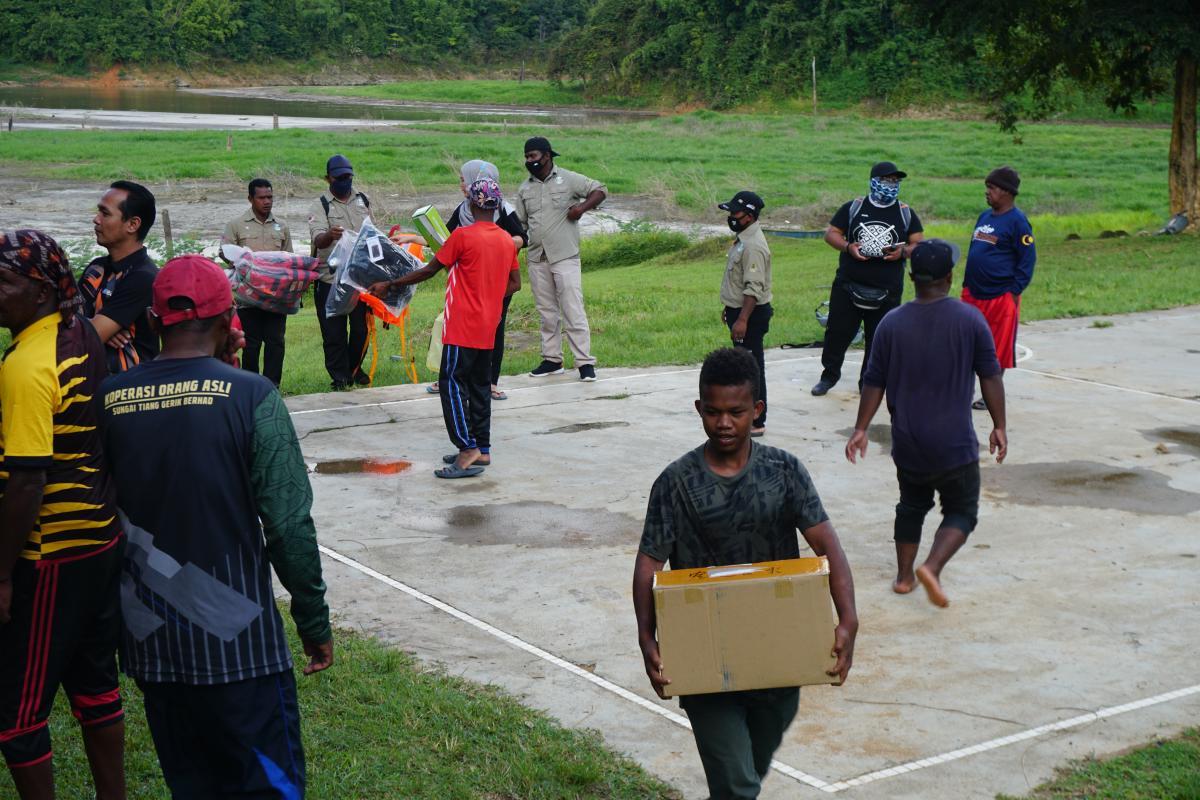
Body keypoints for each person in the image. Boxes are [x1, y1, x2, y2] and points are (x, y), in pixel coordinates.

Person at [99, 255, 334, 797]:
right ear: (231, 319)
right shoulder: (253, 396)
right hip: (241, 645)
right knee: (269, 786)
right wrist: (313, 622)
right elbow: (288, 525)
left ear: (152, 321)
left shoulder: (109, 398)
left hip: (152, 645)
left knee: (192, 784)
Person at [633, 348, 858, 800]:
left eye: (735, 412)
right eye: (712, 412)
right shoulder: (675, 483)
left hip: (778, 653)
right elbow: (648, 565)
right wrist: (647, 636)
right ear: (699, 408)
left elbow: (827, 546)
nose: (723, 423)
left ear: (756, 410)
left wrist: (848, 618)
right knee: (738, 786)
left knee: (746, 773)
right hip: (703, 653)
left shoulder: (784, 471)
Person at [0, 230, 126, 800]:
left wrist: (3, 574)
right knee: (95, 686)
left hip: (49, 550)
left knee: (17, 713)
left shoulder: (28, 365)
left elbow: (27, 481)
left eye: (5, 282)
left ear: (42, 290)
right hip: (99, 538)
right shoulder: (78, 333)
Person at [846, 239, 1007, 608]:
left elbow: (874, 381)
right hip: (954, 444)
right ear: (949, 277)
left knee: (911, 505)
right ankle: (932, 567)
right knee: (962, 510)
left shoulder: (891, 323)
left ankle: (904, 578)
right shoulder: (970, 320)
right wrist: (999, 425)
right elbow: (990, 375)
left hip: (909, 442)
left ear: (911, 277)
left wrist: (860, 429)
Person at [371, 178, 520, 479]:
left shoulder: (462, 236)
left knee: (451, 384)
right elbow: (515, 283)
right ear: (496, 206)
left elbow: (429, 270)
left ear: (472, 204)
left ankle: (467, 449)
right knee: (479, 386)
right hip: (488, 325)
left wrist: (390, 283)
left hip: (462, 324)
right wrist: (489, 295)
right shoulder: (507, 240)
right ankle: (483, 448)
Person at [813, 161, 924, 397]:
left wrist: (903, 252)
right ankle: (828, 376)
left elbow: (918, 243)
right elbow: (831, 234)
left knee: (879, 339)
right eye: (886, 180)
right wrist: (847, 247)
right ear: (874, 181)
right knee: (836, 334)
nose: (891, 185)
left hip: (888, 289)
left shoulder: (905, 213)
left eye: (895, 181)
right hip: (848, 285)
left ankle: (868, 383)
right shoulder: (854, 207)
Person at [425, 159, 527, 400]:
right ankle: (451, 376)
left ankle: (490, 382)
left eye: (464, 180)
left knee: (494, 329)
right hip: (468, 282)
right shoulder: (463, 209)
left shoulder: (502, 208)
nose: (461, 184)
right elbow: (445, 238)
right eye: (461, 180)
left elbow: (522, 237)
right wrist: (412, 237)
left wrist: (499, 244)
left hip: (496, 281)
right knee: (456, 327)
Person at [513, 136, 606, 381]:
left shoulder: (568, 179)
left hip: (565, 256)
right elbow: (520, 225)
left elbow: (600, 190)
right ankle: (552, 360)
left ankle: (584, 362)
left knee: (572, 309)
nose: (529, 161)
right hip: (537, 258)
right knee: (546, 312)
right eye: (526, 157)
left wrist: (581, 209)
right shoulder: (524, 189)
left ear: (546, 156)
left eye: (533, 156)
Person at [961, 166, 1036, 410]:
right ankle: (962, 391)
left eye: (991, 188)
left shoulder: (1018, 222)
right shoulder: (984, 217)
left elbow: (1027, 260)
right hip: (973, 293)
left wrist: (1013, 291)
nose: (987, 192)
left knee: (996, 348)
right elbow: (974, 251)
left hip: (1000, 295)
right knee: (966, 344)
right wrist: (966, 284)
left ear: (1006, 192)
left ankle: (989, 395)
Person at [221, 177, 294, 387]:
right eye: (262, 198)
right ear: (250, 199)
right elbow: (224, 252)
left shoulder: (282, 226)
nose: (267, 201)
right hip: (247, 296)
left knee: (276, 342)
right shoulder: (235, 225)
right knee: (250, 343)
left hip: (276, 296)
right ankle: (251, 386)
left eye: (270, 197)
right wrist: (244, 262)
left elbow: (289, 258)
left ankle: (272, 386)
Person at [81, 180, 160, 374]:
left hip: (130, 385)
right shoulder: (97, 268)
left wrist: (95, 328)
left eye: (105, 213)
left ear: (132, 224)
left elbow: (82, 338)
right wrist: (96, 325)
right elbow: (65, 316)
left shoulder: (143, 277)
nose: (96, 219)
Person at [308, 154, 371, 390]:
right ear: (328, 178)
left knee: (361, 330)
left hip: (359, 278)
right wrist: (329, 235)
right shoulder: (320, 205)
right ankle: (340, 376)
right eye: (340, 178)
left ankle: (354, 368)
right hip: (330, 279)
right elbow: (318, 240)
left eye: (348, 176)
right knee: (333, 332)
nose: (345, 181)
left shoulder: (362, 200)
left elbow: (371, 232)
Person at [717, 190, 772, 437]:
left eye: (735, 213)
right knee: (745, 367)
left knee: (752, 368)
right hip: (740, 311)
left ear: (749, 216)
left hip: (750, 314)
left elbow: (753, 288)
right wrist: (730, 308)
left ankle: (757, 421)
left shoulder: (753, 245)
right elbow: (738, 281)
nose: (731, 217)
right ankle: (747, 414)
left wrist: (741, 319)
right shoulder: (743, 238)